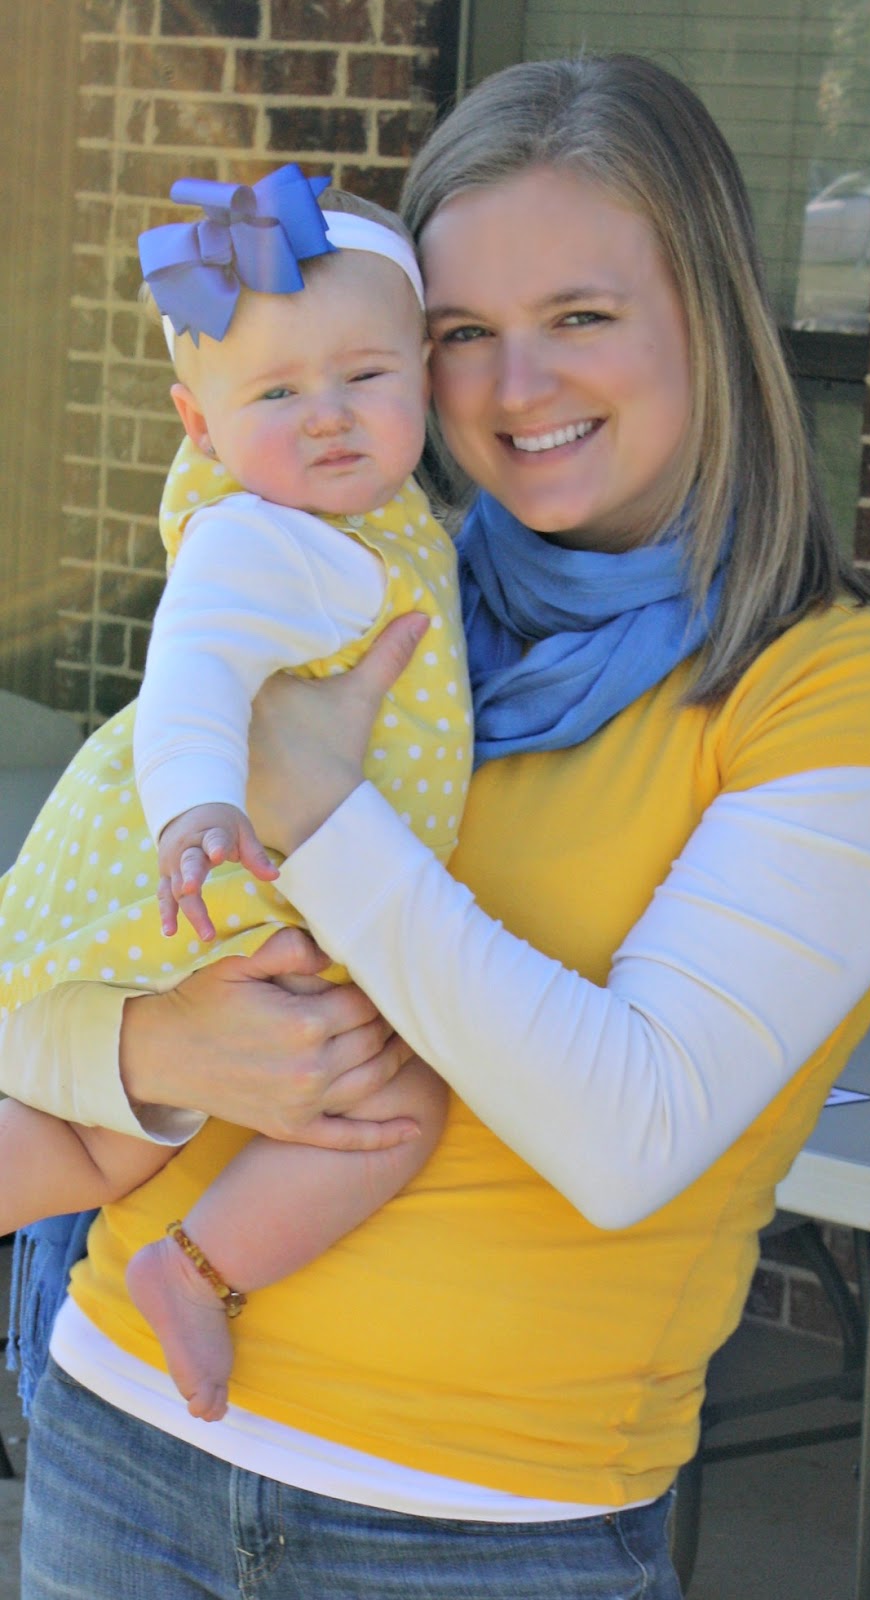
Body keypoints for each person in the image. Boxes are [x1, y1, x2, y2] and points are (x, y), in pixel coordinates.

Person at [6, 55, 870, 1600]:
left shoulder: (836, 689)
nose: (515, 391)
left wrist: (320, 812)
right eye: (461, 335)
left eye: (578, 316)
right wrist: (159, 1052)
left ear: (709, 317)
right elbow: (78, 940)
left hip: (479, 1530)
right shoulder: (360, 587)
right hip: (119, 1450)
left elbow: (623, 1135)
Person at [0, 165, 466, 1421]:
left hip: (220, 888)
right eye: (275, 393)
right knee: (395, 1102)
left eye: (363, 376)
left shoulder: (355, 525)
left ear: (424, 374)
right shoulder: (278, 540)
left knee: (99, 1139)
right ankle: (198, 1267)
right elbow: (193, 667)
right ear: (197, 423)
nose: (326, 418)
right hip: (216, 878)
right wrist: (199, 804)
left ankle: (186, 1264)